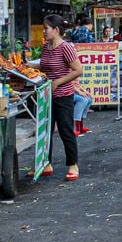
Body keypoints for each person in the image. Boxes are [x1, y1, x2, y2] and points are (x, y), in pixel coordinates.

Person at [38, 14, 83, 181]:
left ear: (56, 30)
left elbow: (78, 70)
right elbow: (44, 65)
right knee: (45, 130)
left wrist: (57, 82)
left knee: (65, 130)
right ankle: (45, 163)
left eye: (46, 28)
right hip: (46, 95)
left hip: (63, 95)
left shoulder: (66, 47)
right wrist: (26, 65)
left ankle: (73, 165)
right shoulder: (46, 47)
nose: (43, 31)